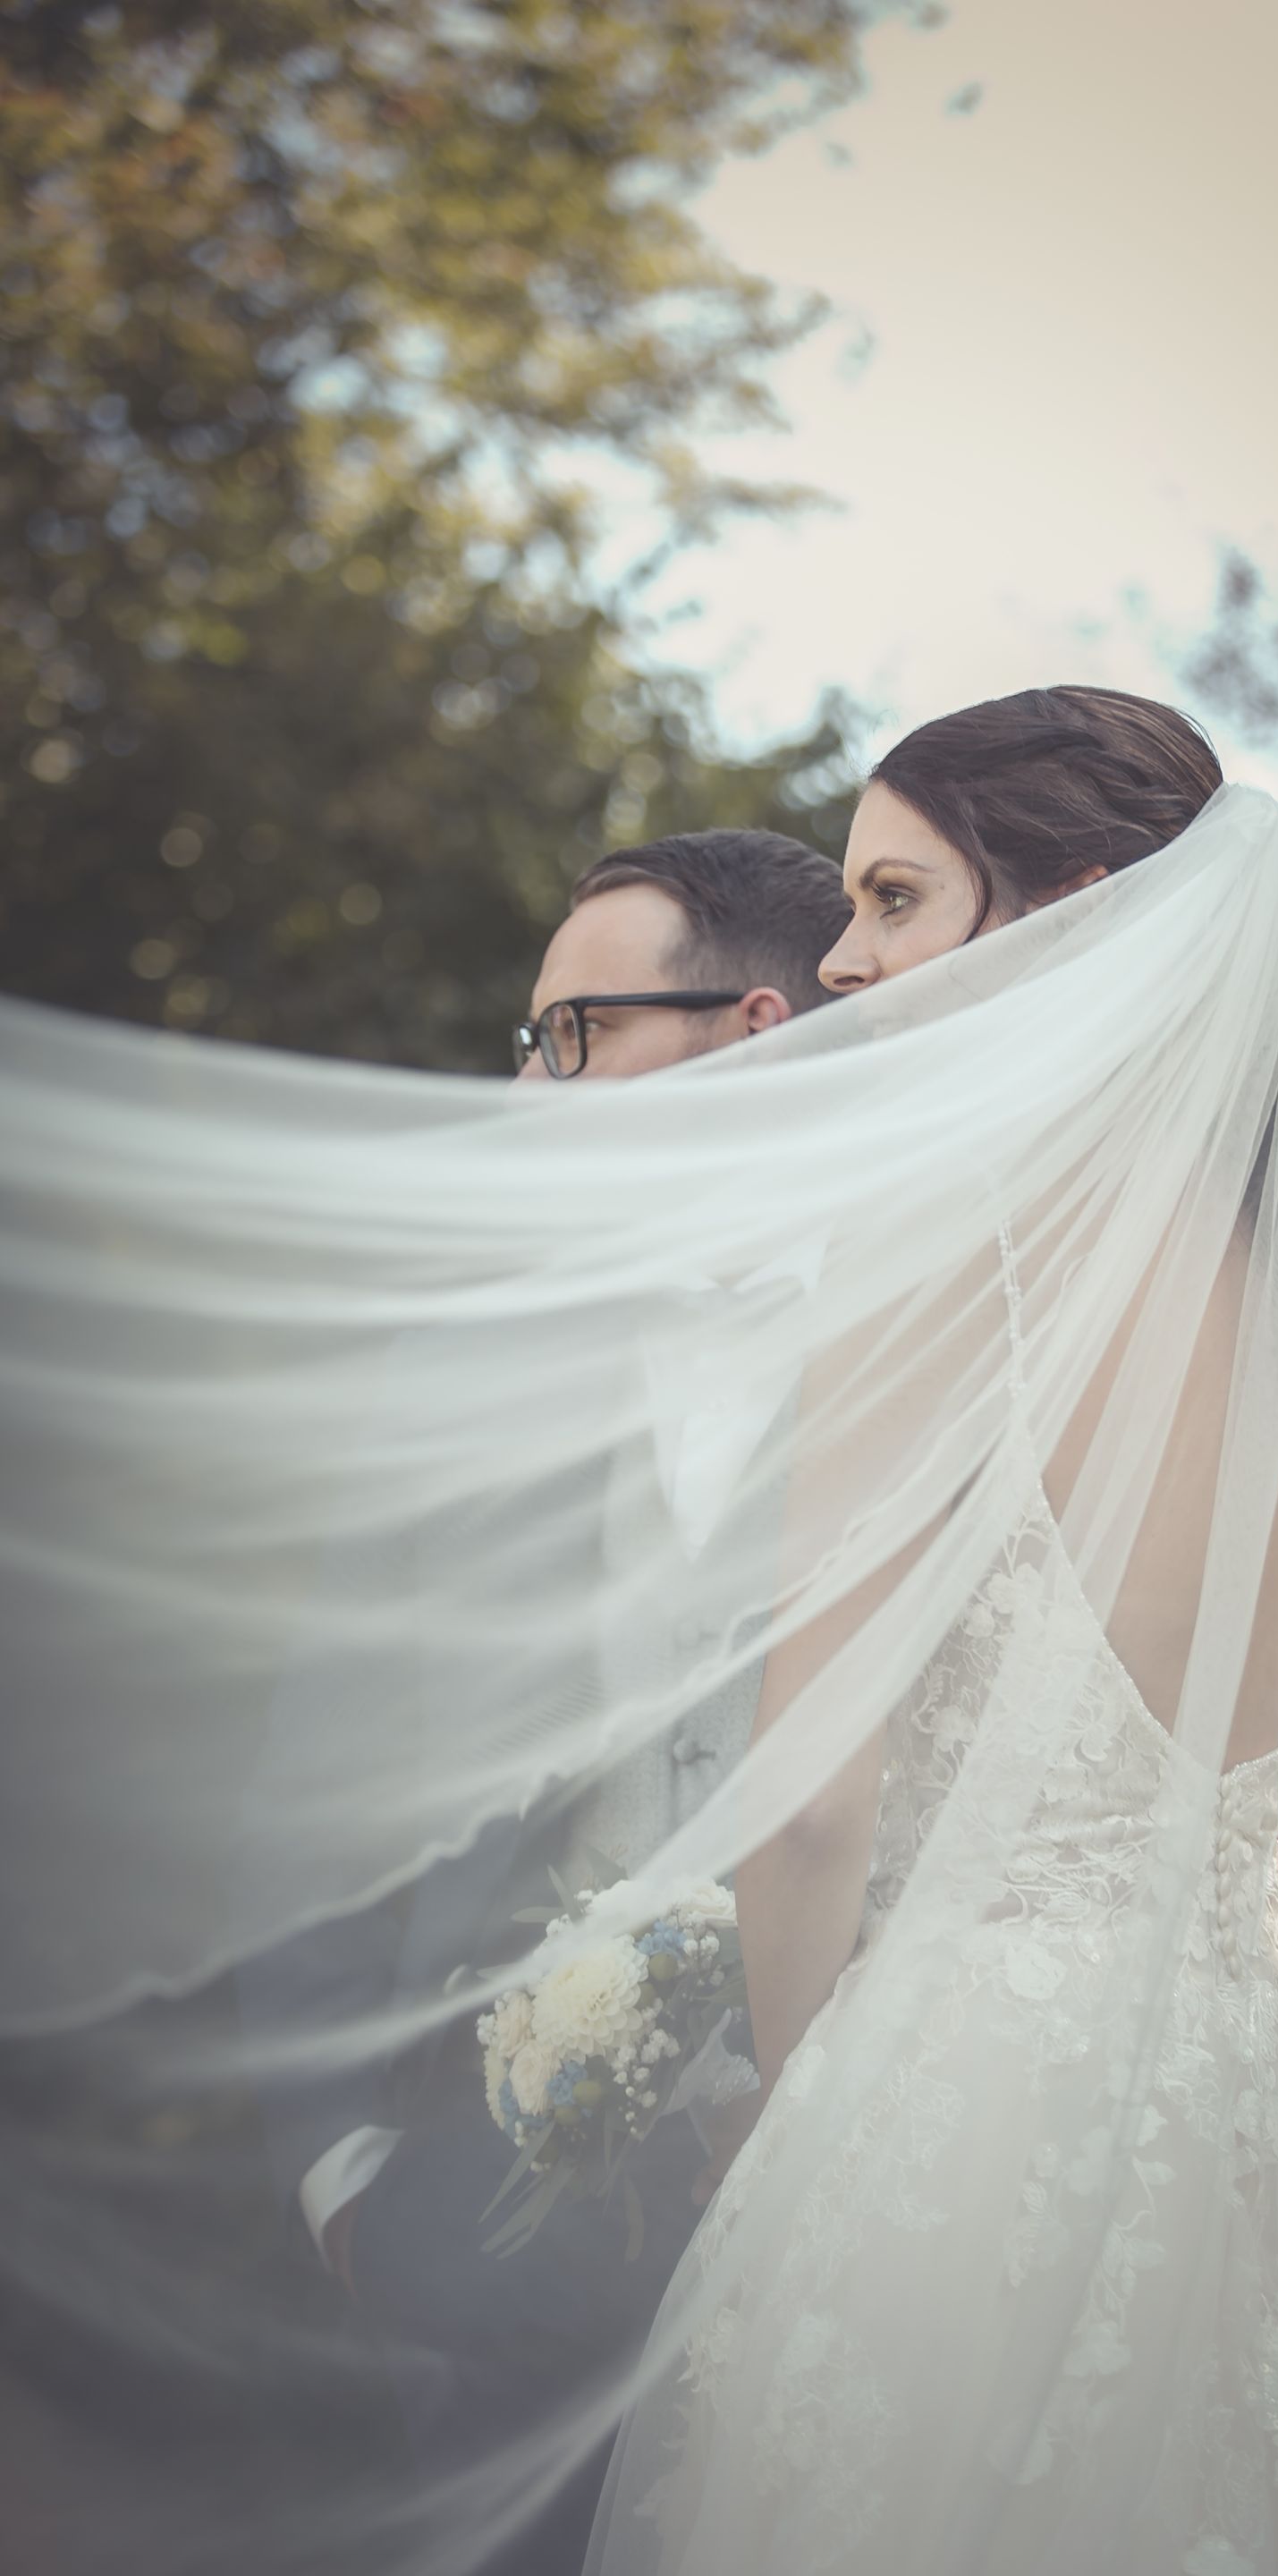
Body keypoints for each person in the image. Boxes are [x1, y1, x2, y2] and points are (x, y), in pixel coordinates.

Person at [585, 689, 1278, 2574]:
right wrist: (1174, 2000)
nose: (847, 956)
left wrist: (828, 2123)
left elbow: (809, 1807)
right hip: (1268, 2110)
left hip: (945, 2108)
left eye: (893, 899)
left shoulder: (924, 1279)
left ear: (1077, 910)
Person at [235, 829, 855, 2575]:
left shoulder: (981, 1337)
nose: (525, 1095)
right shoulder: (466, 1368)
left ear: (749, 1032)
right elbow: (315, 1767)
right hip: (498, 2237)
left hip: (893, 2205)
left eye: (573, 1036)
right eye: (529, 1041)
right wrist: (345, 2170)